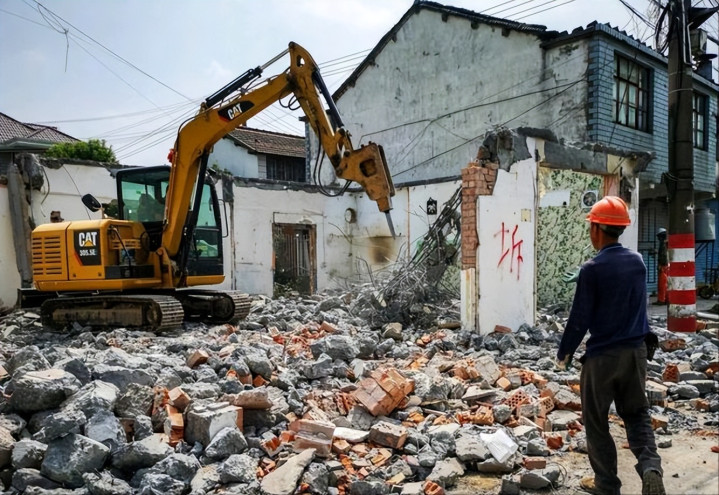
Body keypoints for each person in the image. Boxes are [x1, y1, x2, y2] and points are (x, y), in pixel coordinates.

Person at [556, 196, 665, 495]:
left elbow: (579, 318)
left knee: (596, 421)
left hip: (603, 357)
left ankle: (606, 485)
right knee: (637, 413)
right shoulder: (638, 262)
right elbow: (623, 287)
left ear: (596, 228)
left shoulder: (592, 269)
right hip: (635, 351)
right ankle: (650, 466)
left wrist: (564, 353)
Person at [654, 227, 668, 305]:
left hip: (663, 266)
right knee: (665, 284)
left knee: (662, 284)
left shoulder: (663, 244)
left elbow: (663, 255)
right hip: (666, 265)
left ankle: (661, 300)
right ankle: (665, 299)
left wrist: (661, 265)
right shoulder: (666, 243)